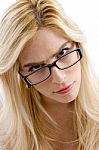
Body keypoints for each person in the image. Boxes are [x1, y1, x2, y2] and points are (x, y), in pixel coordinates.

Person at [0, 0, 99, 150]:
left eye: (63, 53)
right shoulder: (5, 137)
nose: (59, 78)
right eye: (36, 67)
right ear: (19, 74)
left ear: (77, 44)